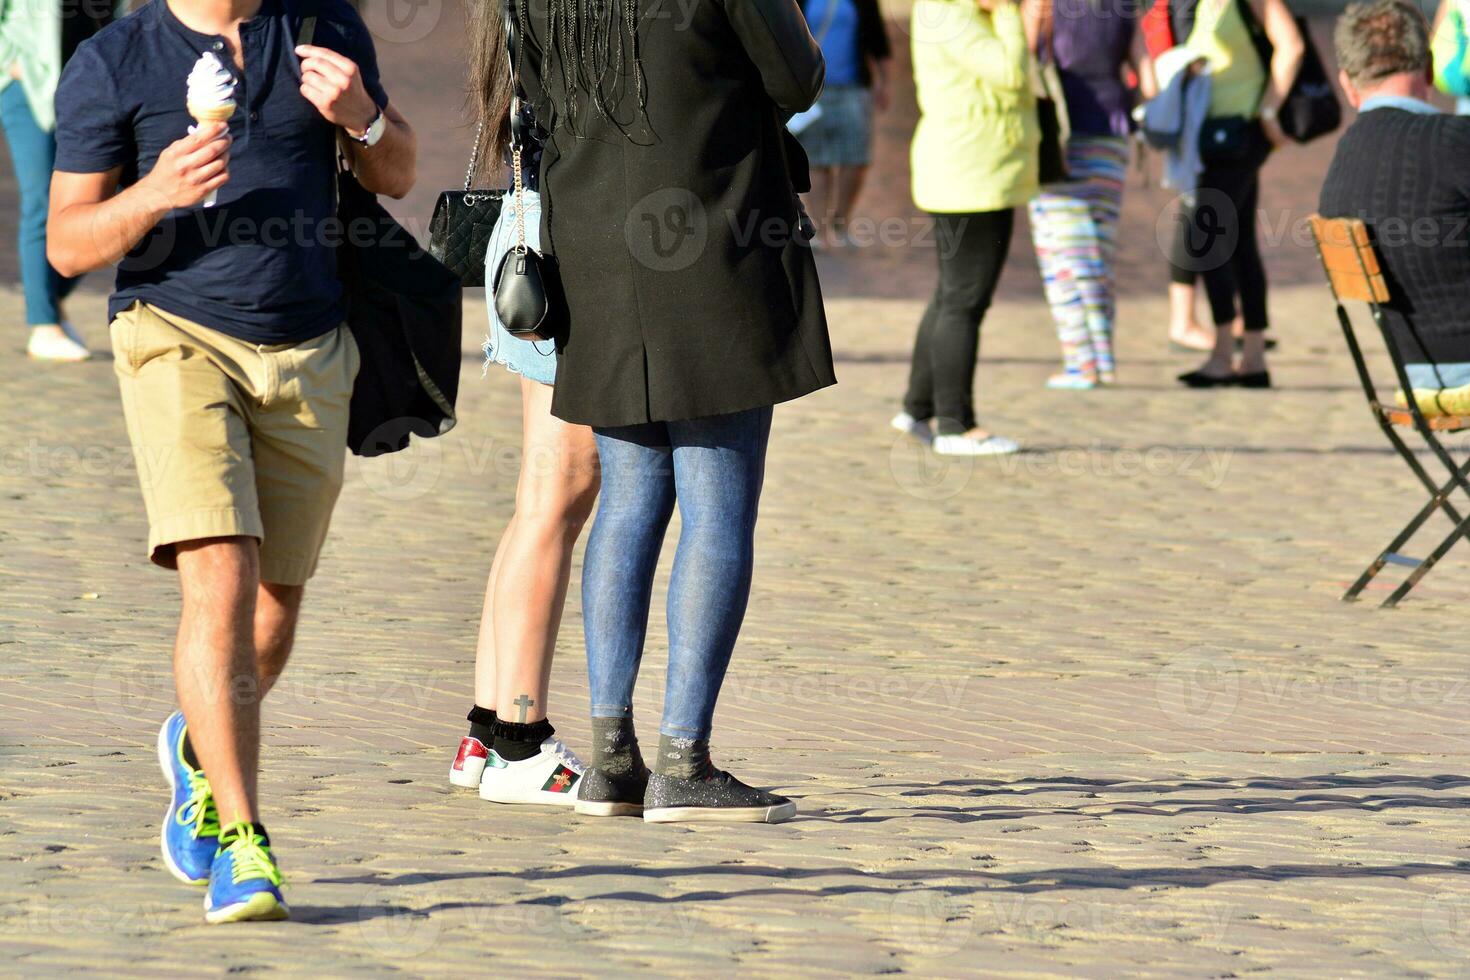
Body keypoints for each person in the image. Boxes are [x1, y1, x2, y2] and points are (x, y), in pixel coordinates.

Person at [48, 0, 415, 922]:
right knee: (221, 569)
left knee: (273, 608)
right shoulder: (115, 58)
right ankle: (245, 842)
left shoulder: (325, 25)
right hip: (173, 334)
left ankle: (196, 744)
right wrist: (154, 193)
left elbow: (399, 172)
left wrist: (361, 114)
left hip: (309, 348)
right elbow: (66, 241)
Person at [501, 0, 834, 823]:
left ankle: (614, 761)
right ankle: (685, 761)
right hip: (709, 235)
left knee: (629, 496)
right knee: (717, 505)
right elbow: (797, 78)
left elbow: (538, 101)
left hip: (597, 248)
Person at [446, 13, 598, 807]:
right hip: (558, 245)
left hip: (531, 233)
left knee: (541, 503)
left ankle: (486, 728)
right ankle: (519, 739)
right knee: (556, 499)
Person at [891, 0, 1037, 455]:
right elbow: (1011, 73)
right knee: (965, 301)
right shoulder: (949, 12)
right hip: (972, 173)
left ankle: (917, 408)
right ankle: (956, 426)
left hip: (979, 168)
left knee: (951, 294)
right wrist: (1012, 13)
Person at [1320, 0, 1470, 415]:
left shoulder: (1340, 169)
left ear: (1348, 85)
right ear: (1429, 68)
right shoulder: (1455, 141)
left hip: (1417, 376)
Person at [1172, 0, 1304, 389]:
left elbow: (1291, 45)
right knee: (1239, 241)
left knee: (1207, 236)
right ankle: (1253, 357)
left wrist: (1267, 111)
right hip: (1209, 136)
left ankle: (1223, 351)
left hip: (1242, 132)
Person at [1027, 0, 1152, 388]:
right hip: (1113, 131)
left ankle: (1081, 363)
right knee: (1099, 246)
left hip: (1060, 135)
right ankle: (1103, 358)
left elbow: (1024, 62)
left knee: (1061, 251)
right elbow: (1145, 73)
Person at [0, 0, 121, 361]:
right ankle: (43, 325)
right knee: (43, 201)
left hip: (91, 87)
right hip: (29, 88)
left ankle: (51, 300)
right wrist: (9, 62)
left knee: (103, 197)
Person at [795, 0, 891, 247]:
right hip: (814, 90)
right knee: (817, 159)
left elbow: (877, 38)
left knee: (856, 159)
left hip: (853, 88)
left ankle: (841, 220)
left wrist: (883, 81)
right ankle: (820, 228)